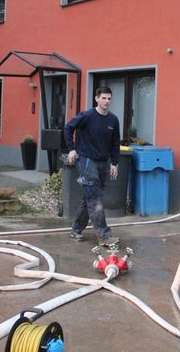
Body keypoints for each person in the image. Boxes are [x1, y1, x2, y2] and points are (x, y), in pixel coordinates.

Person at [64, 86, 120, 247]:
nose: (106, 101)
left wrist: (114, 163)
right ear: (96, 99)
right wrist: (71, 149)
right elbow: (68, 128)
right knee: (95, 198)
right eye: (103, 98)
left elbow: (115, 143)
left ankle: (76, 230)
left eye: (109, 98)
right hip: (87, 161)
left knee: (89, 196)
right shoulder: (87, 115)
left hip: (103, 162)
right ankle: (104, 236)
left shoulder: (113, 120)